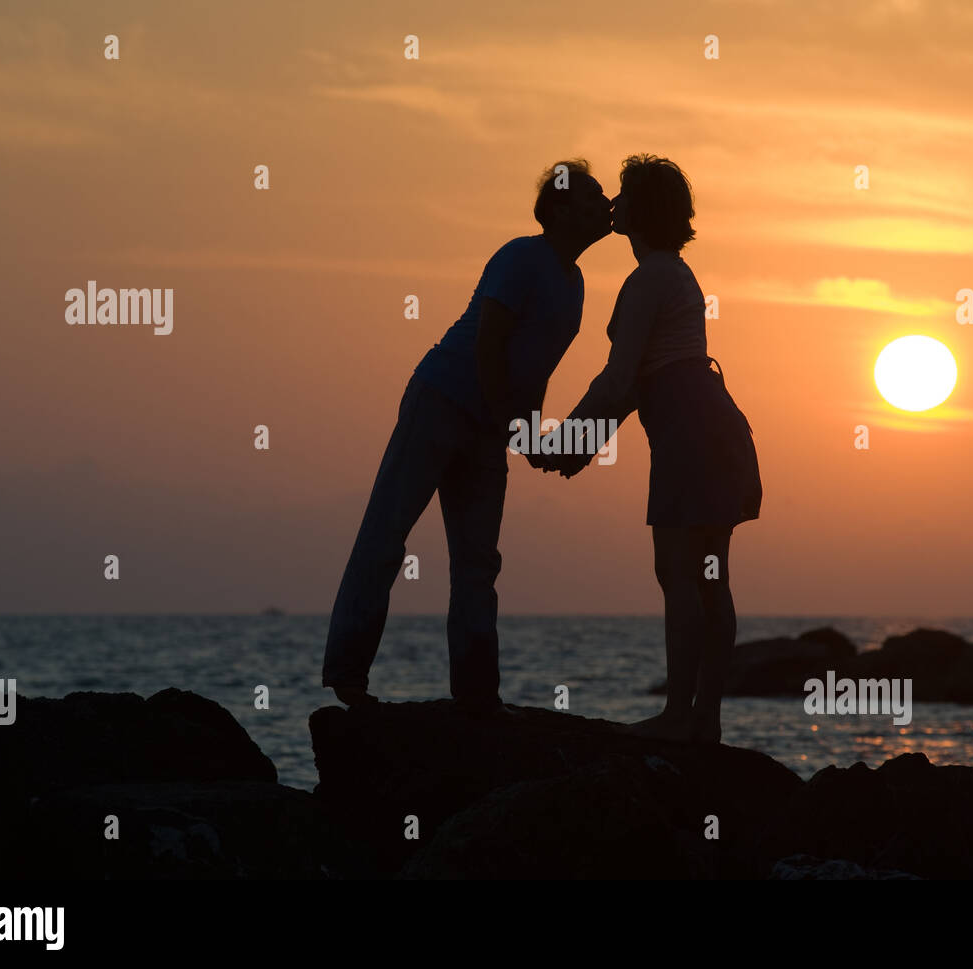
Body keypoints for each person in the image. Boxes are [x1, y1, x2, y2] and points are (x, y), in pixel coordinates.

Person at [323, 160, 612, 713]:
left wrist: (527, 434)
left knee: (478, 562)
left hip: (488, 429)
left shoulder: (575, 283)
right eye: (595, 196)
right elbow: (488, 344)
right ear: (560, 209)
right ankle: (347, 675)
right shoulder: (520, 256)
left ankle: (477, 695)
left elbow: (535, 371)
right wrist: (516, 427)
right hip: (440, 401)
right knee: (386, 534)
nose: (607, 205)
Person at [538, 154, 761, 743]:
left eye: (623, 195)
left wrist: (567, 443)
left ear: (642, 210)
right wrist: (578, 445)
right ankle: (702, 721)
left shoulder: (648, 280)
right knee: (712, 579)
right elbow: (637, 385)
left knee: (679, 574)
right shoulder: (678, 275)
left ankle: (677, 717)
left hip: (689, 434)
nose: (613, 204)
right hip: (715, 428)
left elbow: (620, 381)